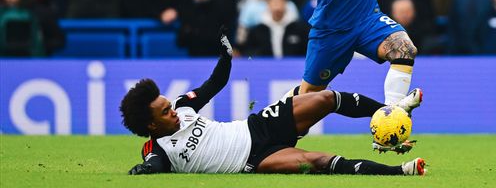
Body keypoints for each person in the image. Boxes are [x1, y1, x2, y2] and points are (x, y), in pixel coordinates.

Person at [120, 29, 426, 175]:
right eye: (164, 112)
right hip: (254, 161)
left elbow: (214, 84)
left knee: (325, 98)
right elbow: (153, 164)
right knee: (319, 162)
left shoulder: (183, 107)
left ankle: (392, 113)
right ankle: (402, 171)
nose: (173, 112)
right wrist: (141, 170)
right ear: (151, 125)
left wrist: (225, 56)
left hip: (257, 126)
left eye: (169, 105)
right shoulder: (157, 149)